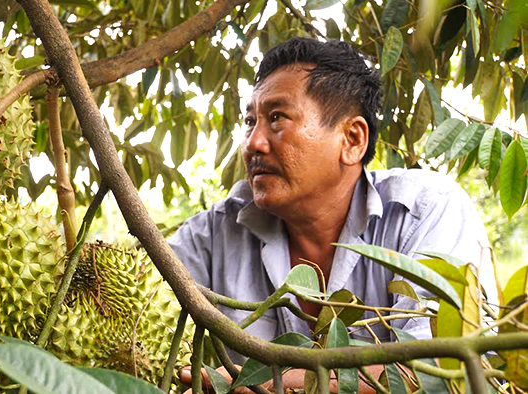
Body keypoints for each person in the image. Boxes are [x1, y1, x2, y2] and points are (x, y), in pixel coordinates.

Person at [167, 37, 495, 391]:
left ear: (352, 139)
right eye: (250, 122)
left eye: (277, 118)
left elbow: (441, 370)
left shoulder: (426, 210)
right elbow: (136, 300)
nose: (253, 143)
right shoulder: (216, 233)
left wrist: (262, 385)